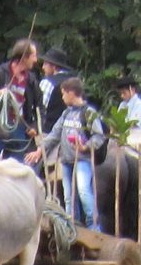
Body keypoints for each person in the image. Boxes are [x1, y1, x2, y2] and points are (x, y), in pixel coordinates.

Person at [45, 75, 107, 228]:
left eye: (64, 93)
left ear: (71, 93)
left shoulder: (88, 113)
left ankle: (94, 226)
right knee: (68, 196)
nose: (63, 97)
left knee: (84, 192)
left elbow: (99, 136)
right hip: (66, 160)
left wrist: (86, 146)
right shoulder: (66, 113)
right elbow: (55, 134)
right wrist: (41, 150)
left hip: (82, 160)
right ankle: (72, 225)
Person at [0, 39, 43, 165]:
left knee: (15, 174)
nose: (36, 60)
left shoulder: (31, 80)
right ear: (24, 57)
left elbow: (39, 107)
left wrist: (33, 126)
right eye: (33, 56)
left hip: (19, 130)